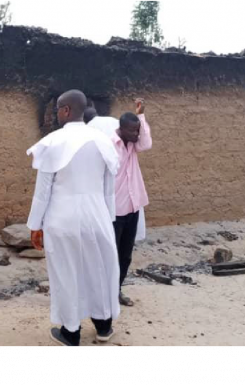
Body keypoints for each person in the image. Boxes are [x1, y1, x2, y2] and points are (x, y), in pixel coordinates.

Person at [27, 90, 120, 347]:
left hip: (63, 217)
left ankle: (71, 332)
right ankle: (103, 326)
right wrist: (108, 220)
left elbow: (43, 191)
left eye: (58, 109)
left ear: (66, 110)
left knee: (66, 273)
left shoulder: (53, 142)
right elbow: (109, 188)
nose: (56, 113)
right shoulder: (102, 141)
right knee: (98, 270)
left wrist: (35, 225)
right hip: (97, 215)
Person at [110, 99, 152, 307]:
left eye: (138, 130)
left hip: (132, 208)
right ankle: (105, 294)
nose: (137, 134)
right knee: (111, 255)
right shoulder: (110, 145)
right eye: (133, 131)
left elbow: (146, 143)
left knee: (125, 255)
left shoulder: (134, 144)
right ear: (122, 129)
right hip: (114, 211)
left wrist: (141, 116)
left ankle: (116, 290)